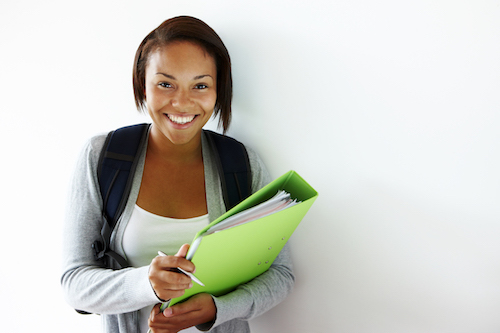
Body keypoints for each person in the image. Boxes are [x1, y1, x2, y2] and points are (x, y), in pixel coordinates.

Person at [61, 16, 295, 333]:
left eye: (200, 85)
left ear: (218, 91)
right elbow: (74, 282)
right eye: (165, 84)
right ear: (142, 85)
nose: (182, 103)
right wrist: (147, 283)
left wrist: (217, 308)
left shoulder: (242, 164)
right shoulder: (103, 157)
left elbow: (281, 273)